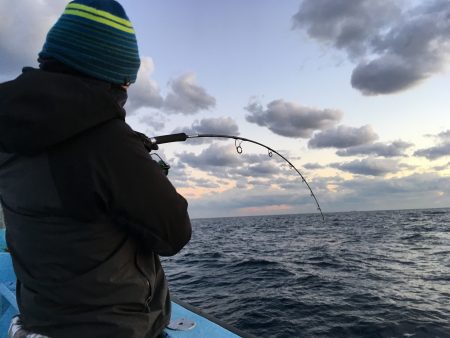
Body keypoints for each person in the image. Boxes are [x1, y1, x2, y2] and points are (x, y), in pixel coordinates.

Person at [0, 1, 192, 337]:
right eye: (125, 84)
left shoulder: (7, 129)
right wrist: (135, 157)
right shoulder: (109, 142)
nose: (125, 93)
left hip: (40, 321)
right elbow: (174, 233)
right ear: (108, 76)